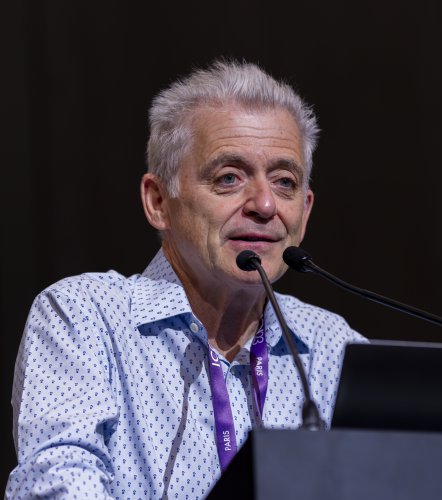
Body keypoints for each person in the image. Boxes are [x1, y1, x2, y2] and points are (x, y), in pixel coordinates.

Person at [6, 60, 366, 499]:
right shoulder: (85, 317)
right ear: (159, 201)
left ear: (304, 212)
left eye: (284, 182)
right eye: (229, 178)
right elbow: (57, 484)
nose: (265, 205)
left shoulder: (333, 347)